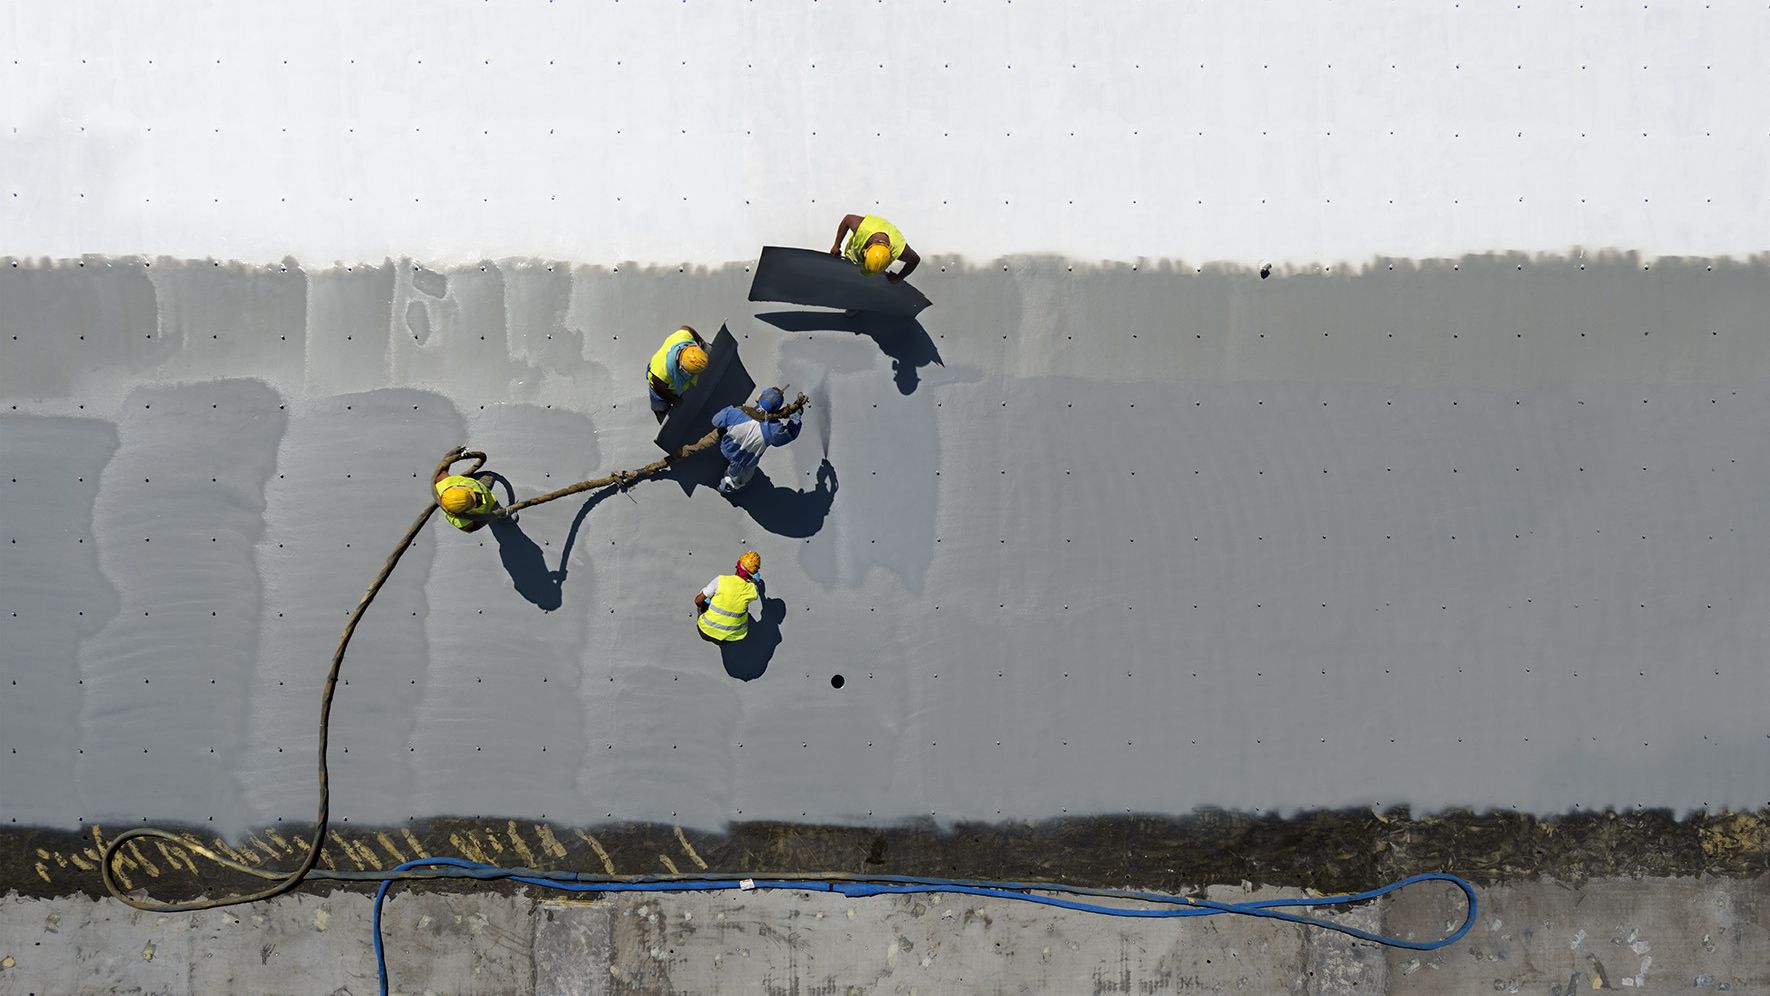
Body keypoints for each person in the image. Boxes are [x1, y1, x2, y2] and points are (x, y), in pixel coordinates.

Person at [711, 387, 803, 495]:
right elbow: (791, 433)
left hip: (727, 447)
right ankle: (725, 488)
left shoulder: (737, 411)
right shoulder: (774, 430)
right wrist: (796, 415)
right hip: (742, 462)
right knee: (736, 480)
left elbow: (715, 421)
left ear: (759, 398)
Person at [830, 213, 920, 283]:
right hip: (857, 246)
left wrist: (899, 277)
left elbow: (915, 260)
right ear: (865, 251)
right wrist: (836, 245)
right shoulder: (863, 228)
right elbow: (847, 219)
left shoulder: (898, 248)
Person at [695, 551, 763, 642]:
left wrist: (706, 606)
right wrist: (754, 582)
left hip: (706, 632)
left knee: (705, 595)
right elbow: (752, 586)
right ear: (753, 574)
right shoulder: (753, 590)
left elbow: (697, 601)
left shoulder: (721, 580)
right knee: (743, 608)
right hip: (732, 639)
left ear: (737, 566)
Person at [647, 325, 710, 422]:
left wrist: (703, 344)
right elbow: (658, 388)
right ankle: (660, 411)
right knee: (659, 404)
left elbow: (687, 328)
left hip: (664, 372)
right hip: (658, 385)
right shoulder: (662, 372)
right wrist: (674, 400)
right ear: (682, 368)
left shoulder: (684, 336)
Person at [433, 471, 500, 532]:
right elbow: (471, 528)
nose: (478, 499)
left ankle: (485, 483)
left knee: (484, 483)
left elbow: (441, 469)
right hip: (488, 509)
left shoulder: (445, 482)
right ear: (465, 512)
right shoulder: (459, 521)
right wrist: (491, 516)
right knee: (501, 513)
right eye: (474, 502)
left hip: (480, 486)